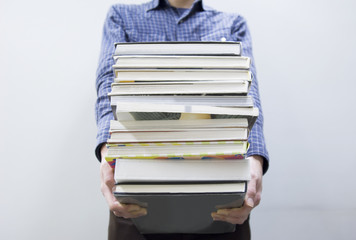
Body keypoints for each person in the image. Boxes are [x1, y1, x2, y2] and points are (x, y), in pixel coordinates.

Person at [95, 0, 269, 239]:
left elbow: (249, 97)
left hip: (218, 191)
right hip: (139, 189)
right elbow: (108, 86)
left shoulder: (232, 24)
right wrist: (107, 156)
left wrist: (256, 161)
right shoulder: (122, 16)